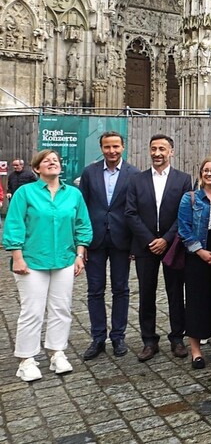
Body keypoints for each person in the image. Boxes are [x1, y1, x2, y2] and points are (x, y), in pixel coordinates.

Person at [3, 149, 92, 381]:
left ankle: (57, 352)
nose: (52, 162)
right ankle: (27, 359)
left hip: (64, 259)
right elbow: (14, 225)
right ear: (36, 169)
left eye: (55, 160)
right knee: (32, 311)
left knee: (61, 309)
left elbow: (83, 225)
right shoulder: (25, 193)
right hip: (31, 261)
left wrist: (79, 254)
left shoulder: (73, 194)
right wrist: (17, 256)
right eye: (46, 161)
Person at [126, 134, 193, 362]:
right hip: (145, 247)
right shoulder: (136, 180)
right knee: (146, 293)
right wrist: (149, 240)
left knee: (175, 293)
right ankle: (149, 340)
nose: (157, 153)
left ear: (171, 152)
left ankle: (177, 338)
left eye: (162, 149)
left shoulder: (183, 179)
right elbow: (131, 213)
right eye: (154, 148)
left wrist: (166, 238)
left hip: (172, 244)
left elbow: (184, 214)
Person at [79, 131, 139, 360]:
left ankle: (118, 336)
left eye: (115, 146)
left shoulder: (134, 174)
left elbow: (135, 210)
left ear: (123, 147)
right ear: (101, 148)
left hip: (121, 241)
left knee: (121, 289)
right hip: (94, 240)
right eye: (107, 147)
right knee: (95, 290)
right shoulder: (89, 172)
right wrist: (81, 244)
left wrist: (134, 245)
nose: (111, 151)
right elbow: (82, 208)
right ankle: (97, 338)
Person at [178, 157, 211, 370]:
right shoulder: (189, 198)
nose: (210, 174)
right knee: (196, 301)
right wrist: (200, 251)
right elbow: (184, 228)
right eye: (206, 170)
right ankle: (195, 350)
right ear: (201, 173)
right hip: (197, 252)